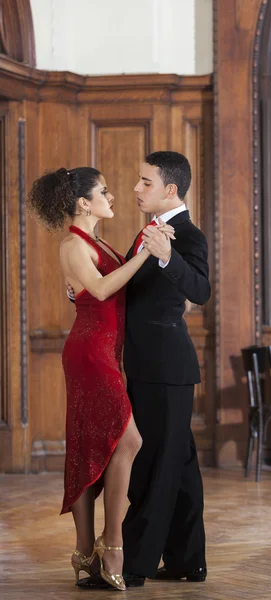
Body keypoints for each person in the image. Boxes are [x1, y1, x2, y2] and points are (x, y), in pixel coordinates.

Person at [27, 167, 175, 591]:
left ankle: (86, 551)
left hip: (106, 352)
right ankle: (111, 545)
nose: (113, 196)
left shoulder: (98, 241)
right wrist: (147, 251)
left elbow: (102, 289)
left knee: (99, 443)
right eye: (104, 192)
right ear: (83, 203)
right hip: (89, 354)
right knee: (127, 440)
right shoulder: (73, 243)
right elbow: (104, 289)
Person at [76, 151, 211, 590]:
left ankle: (130, 566)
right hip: (150, 364)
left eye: (145, 182)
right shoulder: (148, 232)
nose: (135, 189)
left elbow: (201, 290)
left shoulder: (185, 235)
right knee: (181, 466)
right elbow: (131, 294)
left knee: (152, 465)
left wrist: (170, 258)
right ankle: (188, 561)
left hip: (164, 366)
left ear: (170, 189)